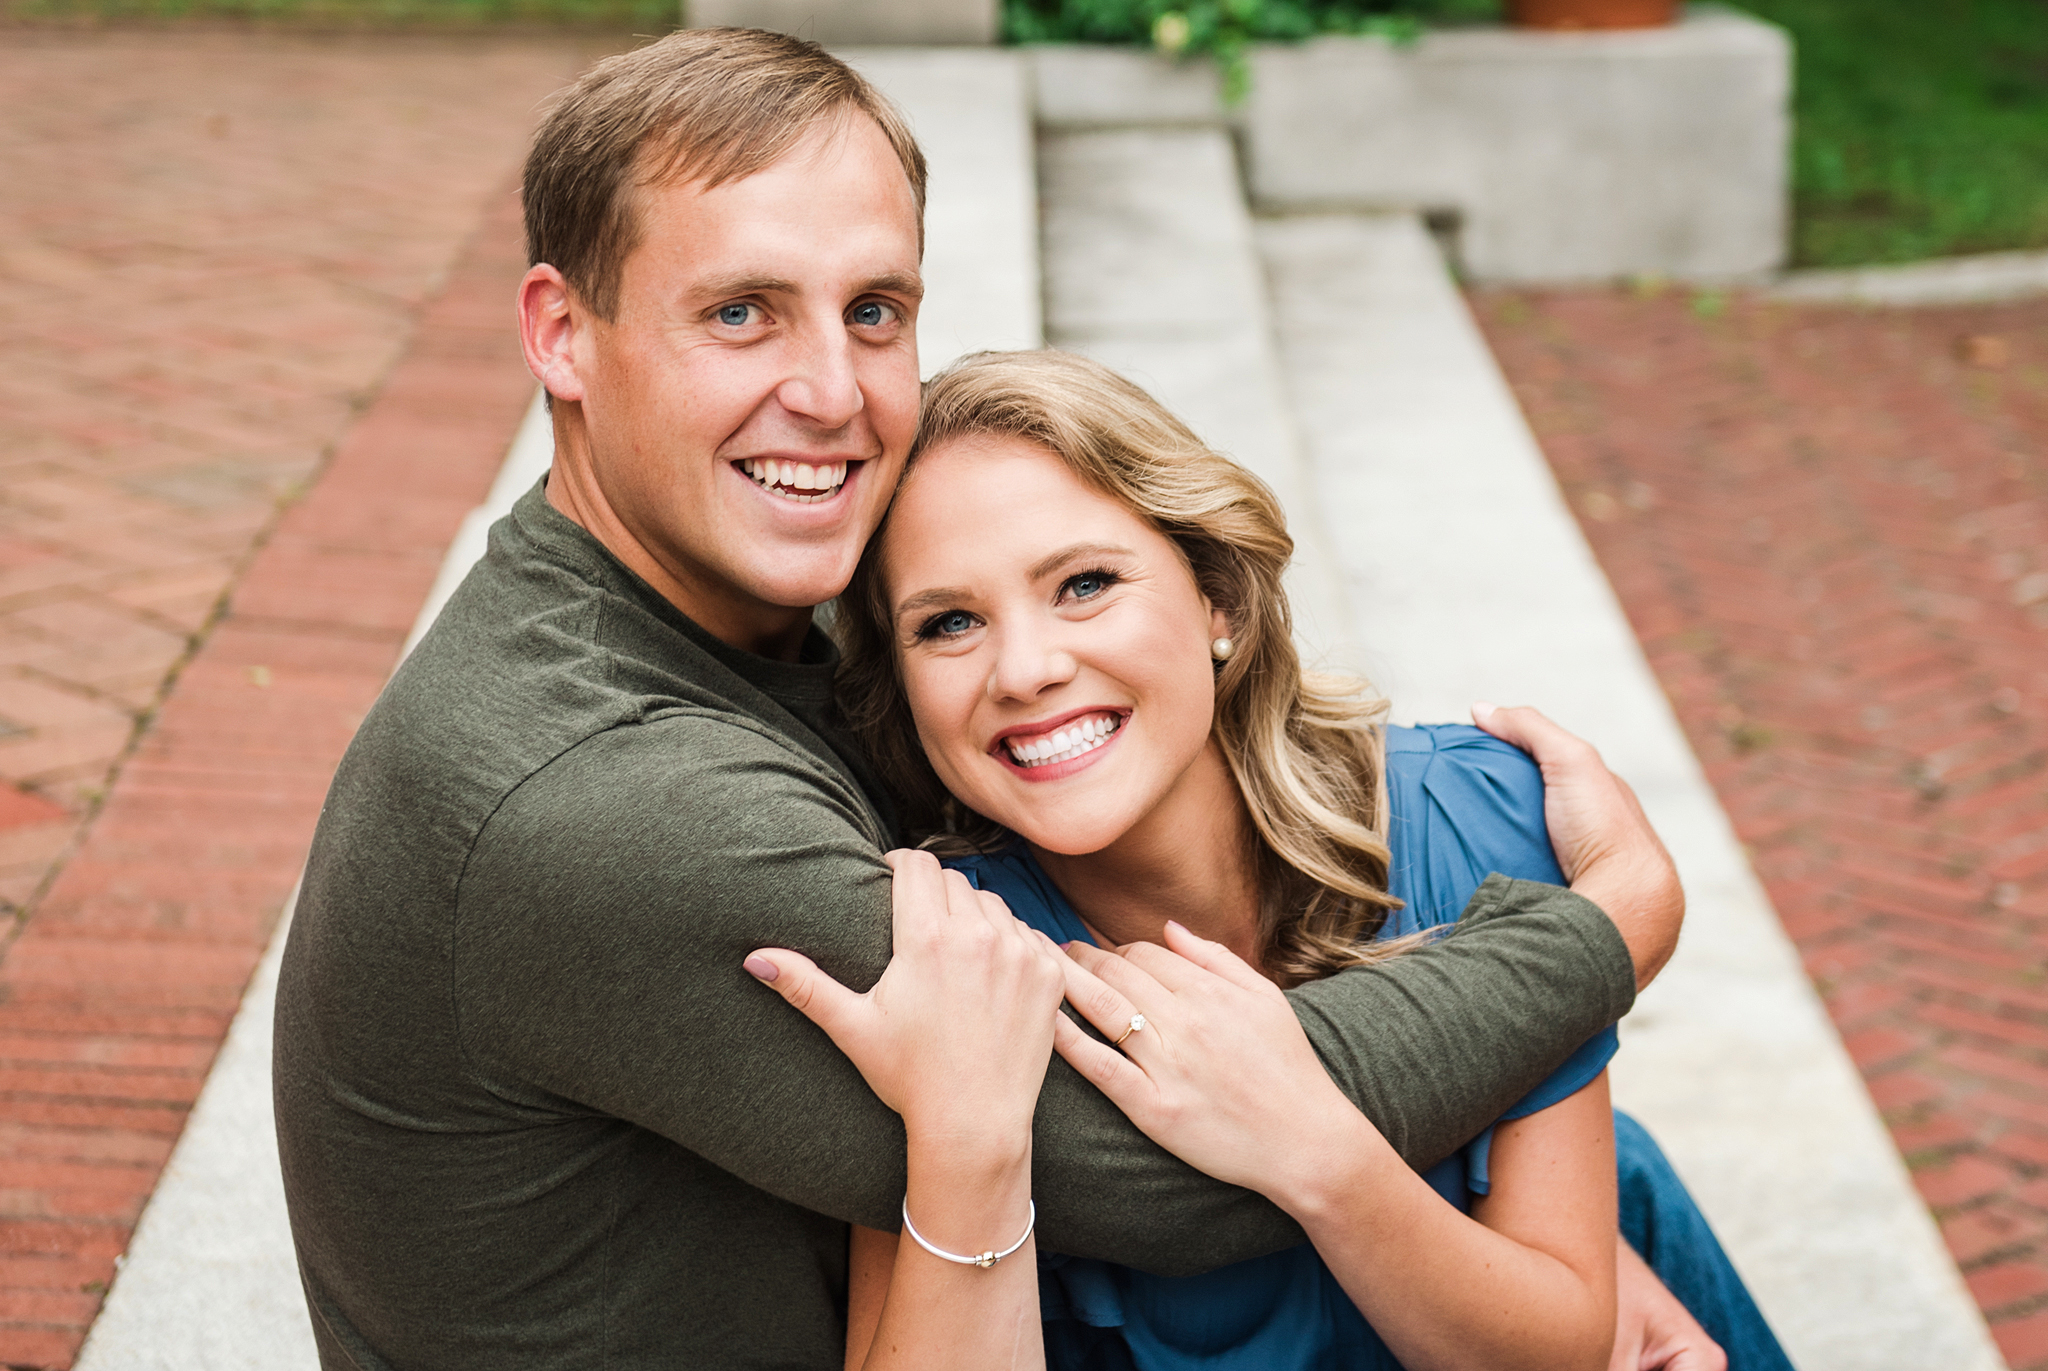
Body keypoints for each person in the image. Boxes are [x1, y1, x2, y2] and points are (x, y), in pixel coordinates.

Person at [273, 28, 1712, 1371]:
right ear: (560, 332)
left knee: (1616, 1183)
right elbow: (1175, 1169)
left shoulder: (720, 611)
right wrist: (1604, 929)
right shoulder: (614, 797)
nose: (832, 390)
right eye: (740, 313)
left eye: (876, 309)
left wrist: (1555, 1219)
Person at [748, 351, 1793, 1371]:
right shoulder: (946, 952)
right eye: (950, 623)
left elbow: (1557, 1345)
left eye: (1083, 584)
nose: (1025, 669)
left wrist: (1316, 1152)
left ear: (1219, 602)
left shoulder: (1470, 817)